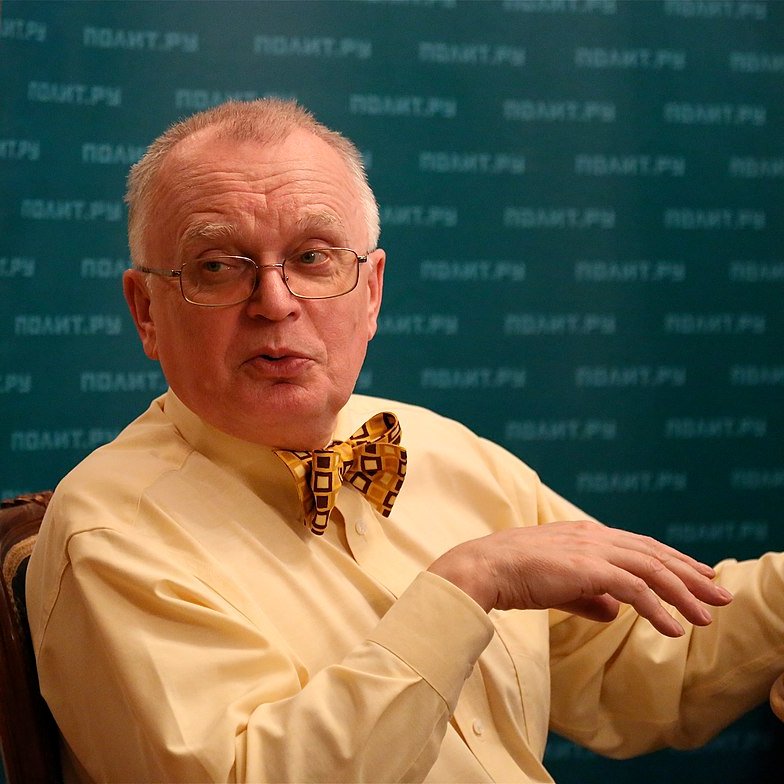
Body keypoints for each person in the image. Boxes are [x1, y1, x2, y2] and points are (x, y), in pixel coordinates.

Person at [26, 99, 784, 784]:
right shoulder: (111, 534)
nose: (276, 302)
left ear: (372, 291)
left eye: (313, 257)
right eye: (219, 267)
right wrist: (466, 587)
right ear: (146, 311)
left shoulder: (444, 450)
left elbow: (635, 666)